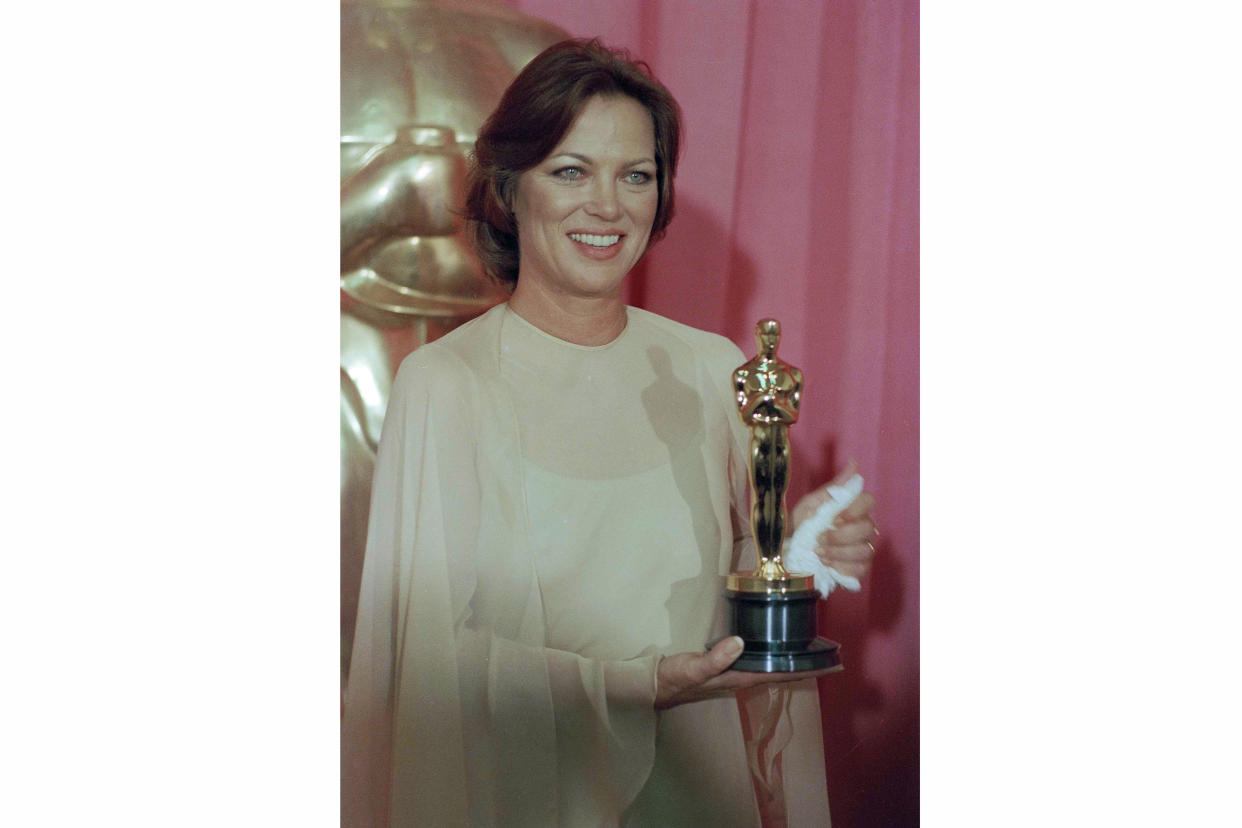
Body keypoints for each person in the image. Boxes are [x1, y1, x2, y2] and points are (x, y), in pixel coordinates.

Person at [342, 38, 878, 826]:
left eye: (636, 175)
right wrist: (642, 683)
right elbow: (429, 671)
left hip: (703, 799)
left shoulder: (709, 369)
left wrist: (788, 556)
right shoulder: (445, 384)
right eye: (571, 171)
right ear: (507, 188)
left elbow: (734, 609)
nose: (608, 205)